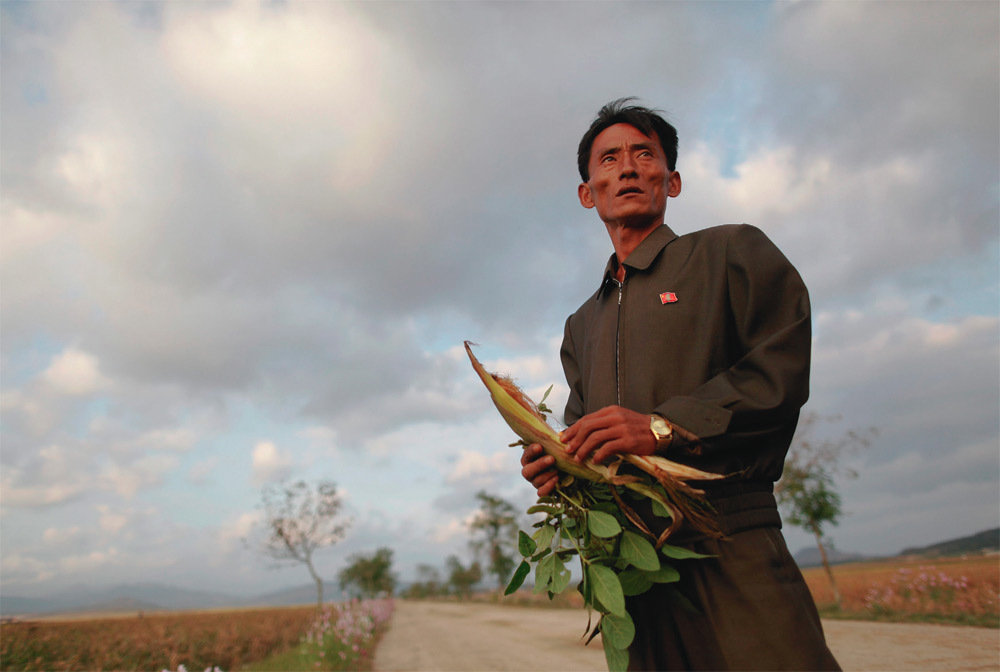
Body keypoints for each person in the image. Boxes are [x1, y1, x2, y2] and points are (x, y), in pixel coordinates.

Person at [520, 98, 841, 671]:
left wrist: (661, 427)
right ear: (587, 192)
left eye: (645, 154)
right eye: (609, 158)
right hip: (635, 561)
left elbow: (780, 369)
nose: (627, 167)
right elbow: (585, 434)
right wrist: (558, 466)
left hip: (730, 533)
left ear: (671, 181)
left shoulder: (729, 253)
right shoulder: (580, 325)